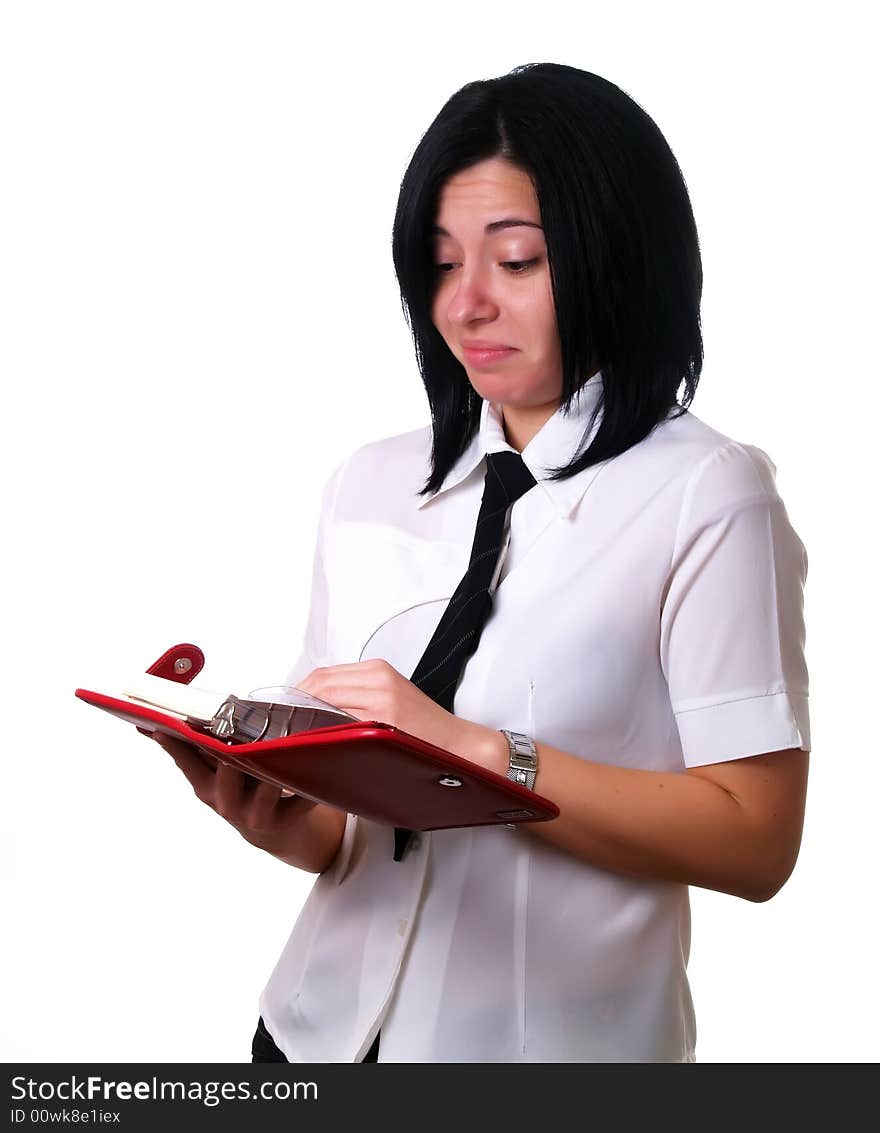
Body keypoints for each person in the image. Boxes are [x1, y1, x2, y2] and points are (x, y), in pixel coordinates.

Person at [153, 62, 811, 1063]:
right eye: (440, 262)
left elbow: (753, 836)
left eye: (515, 261)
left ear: (615, 258)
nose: (464, 305)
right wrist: (272, 810)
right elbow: (347, 828)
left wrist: (470, 749)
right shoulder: (369, 484)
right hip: (311, 1033)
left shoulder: (708, 495)